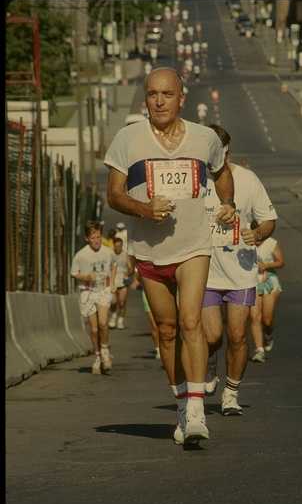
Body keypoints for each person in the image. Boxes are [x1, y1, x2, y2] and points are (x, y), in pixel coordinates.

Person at [104, 67, 235, 445]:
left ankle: (196, 412)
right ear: (145, 99)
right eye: (151, 94)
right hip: (149, 249)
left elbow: (222, 171)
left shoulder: (204, 138)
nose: (159, 101)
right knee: (166, 329)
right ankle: (181, 403)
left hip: (194, 244)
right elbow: (113, 195)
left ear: (182, 98)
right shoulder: (128, 139)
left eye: (166, 94)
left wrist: (227, 203)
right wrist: (143, 209)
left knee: (191, 320)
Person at [202, 124, 277, 414]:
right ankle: (210, 362)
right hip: (205, 271)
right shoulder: (194, 180)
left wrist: (257, 235)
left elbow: (269, 220)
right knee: (212, 336)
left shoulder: (247, 179)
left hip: (241, 272)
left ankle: (231, 394)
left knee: (236, 336)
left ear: (225, 151)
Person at [71, 221, 117, 374]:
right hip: (88, 292)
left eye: (98, 237)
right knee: (94, 329)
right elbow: (73, 273)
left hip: (103, 290)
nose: (96, 241)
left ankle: (104, 350)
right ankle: (97, 356)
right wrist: (86, 276)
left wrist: (113, 284)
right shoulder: (81, 255)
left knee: (104, 323)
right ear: (87, 238)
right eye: (93, 238)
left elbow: (114, 265)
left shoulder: (108, 251)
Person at [249, 220, 284, 363]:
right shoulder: (245, 243)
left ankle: (268, 334)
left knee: (267, 319)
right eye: (255, 233)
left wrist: (267, 265)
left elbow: (281, 261)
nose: (257, 237)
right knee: (255, 317)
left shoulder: (271, 243)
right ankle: (259, 350)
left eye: (260, 233)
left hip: (269, 280)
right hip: (252, 282)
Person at [108, 237, 131, 330]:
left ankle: (120, 320)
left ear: (122, 246)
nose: (118, 248)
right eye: (116, 246)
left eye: (120, 246)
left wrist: (128, 273)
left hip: (123, 281)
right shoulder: (110, 254)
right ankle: (113, 317)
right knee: (113, 301)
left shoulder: (125, 255)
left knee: (122, 302)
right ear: (114, 245)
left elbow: (130, 268)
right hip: (112, 281)